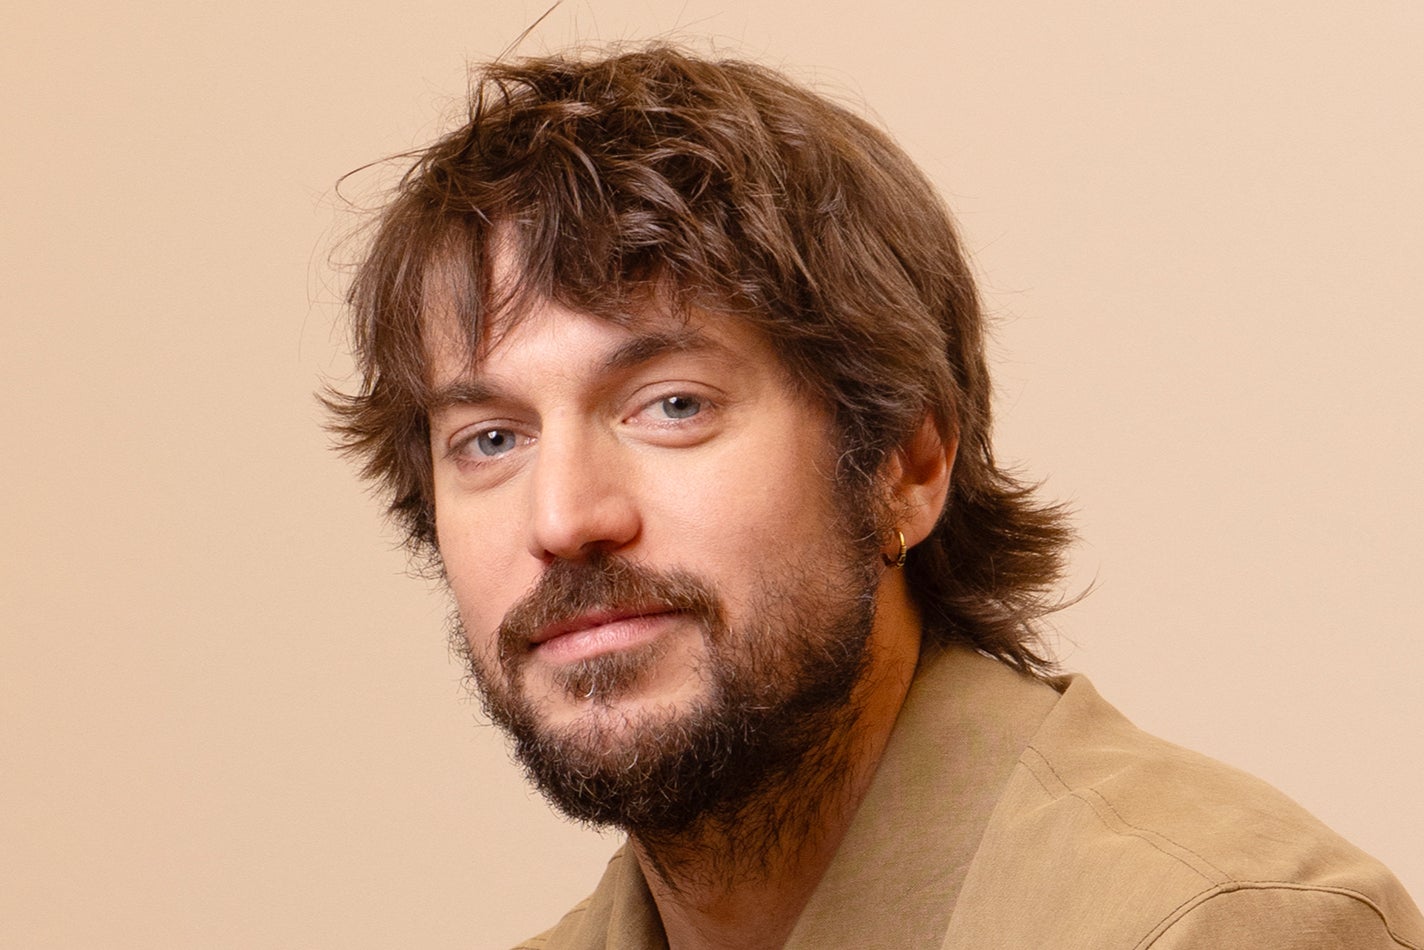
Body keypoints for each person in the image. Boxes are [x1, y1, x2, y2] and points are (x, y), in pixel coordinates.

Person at [328, 44, 1424, 950]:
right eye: (488, 437)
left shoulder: (1216, 929)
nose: (562, 516)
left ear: (904, 462)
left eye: (671, 405)